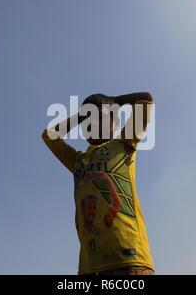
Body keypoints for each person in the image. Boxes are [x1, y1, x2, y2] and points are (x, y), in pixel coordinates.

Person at [42, 92, 155, 275]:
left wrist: (115, 102)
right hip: (90, 265)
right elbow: (50, 135)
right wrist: (82, 114)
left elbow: (146, 99)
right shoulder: (78, 161)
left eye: (100, 118)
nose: (93, 123)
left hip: (129, 260)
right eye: (87, 120)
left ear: (116, 124)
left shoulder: (124, 143)